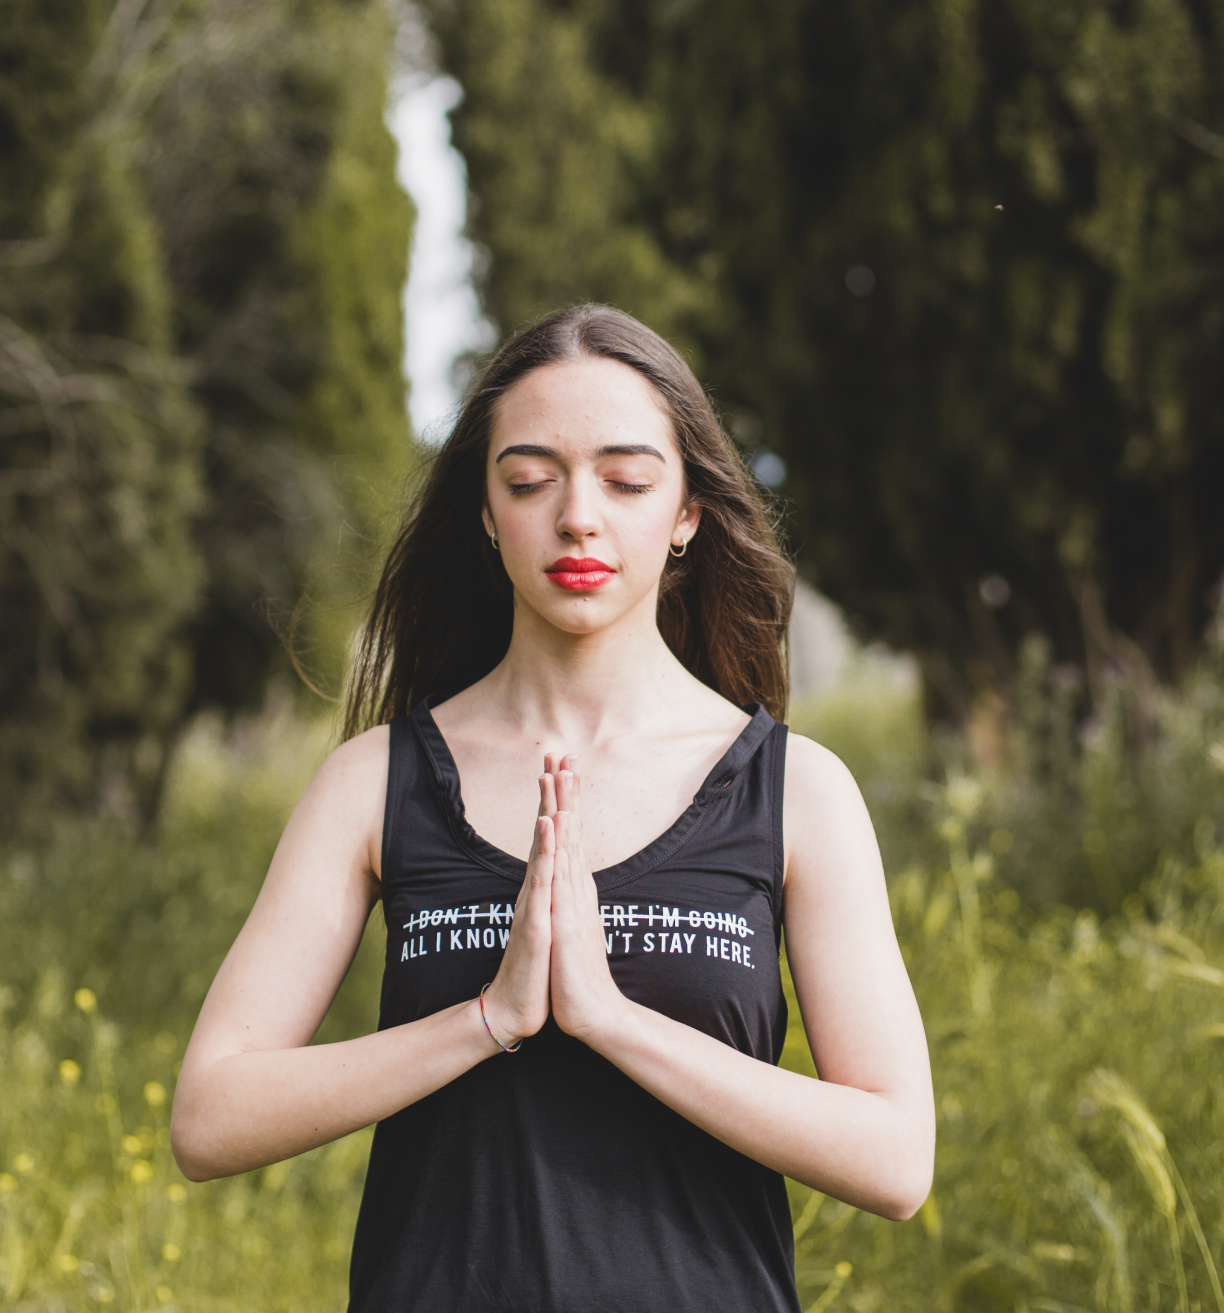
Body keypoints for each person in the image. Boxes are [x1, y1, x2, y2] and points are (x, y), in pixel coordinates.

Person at [171, 305, 932, 1311]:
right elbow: (210, 1117)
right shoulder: (374, 783)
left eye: (625, 481)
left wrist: (611, 1021)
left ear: (688, 513)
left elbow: (894, 1157)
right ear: (487, 513)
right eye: (531, 480)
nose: (578, 516)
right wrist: (488, 1019)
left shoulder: (795, 792)